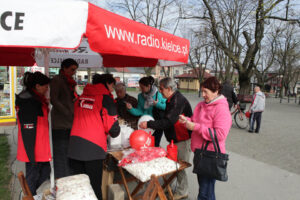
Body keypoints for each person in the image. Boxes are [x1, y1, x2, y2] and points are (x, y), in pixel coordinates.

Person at [68, 73, 120, 200]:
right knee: (94, 187)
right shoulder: (105, 98)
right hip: (93, 148)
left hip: (74, 146)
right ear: (107, 83)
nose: (113, 89)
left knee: (80, 187)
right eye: (112, 85)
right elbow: (113, 130)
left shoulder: (82, 96)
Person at [139, 77, 193, 200]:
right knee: (173, 165)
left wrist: (149, 124)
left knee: (181, 166)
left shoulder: (178, 101)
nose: (160, 91)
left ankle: (182, 191)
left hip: (182, 139)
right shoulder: (171, 99)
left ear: (169, 89)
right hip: (175, 139)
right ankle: (171, 187)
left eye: (162, 89)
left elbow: (168, 121)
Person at [179, 77, 232, 200]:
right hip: (200, 153)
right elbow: (194, 120)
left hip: (211, 155)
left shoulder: (221, 109)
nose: (203, 95)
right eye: (202, 91)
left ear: (216, 91)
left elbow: (220, 134)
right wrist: (186, 120)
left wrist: (196, 127)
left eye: (205, 92)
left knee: (204, 192)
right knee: (206, 190)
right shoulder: (201, 105)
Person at [16, 72, 51, 195]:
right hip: (33, 147)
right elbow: (28, 129)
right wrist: (31, 153)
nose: (47, 89)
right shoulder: (29, 101)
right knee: (33, 176)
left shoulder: (36, 99)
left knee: (45, 171)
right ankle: (30, 195)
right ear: (37, 86)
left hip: (40, 145)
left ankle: (31, 195)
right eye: (45, 86)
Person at [50, 58, 78, 179]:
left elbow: (66, 99)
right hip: (60, 123)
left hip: (68, 122)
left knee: (68, 151)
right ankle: (62, 177)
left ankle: (68, 176)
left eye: (75, 70)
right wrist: (67, 112)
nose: (74, 72)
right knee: (61, 152)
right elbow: (54, 99)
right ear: (64, 68)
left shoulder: (69, 81)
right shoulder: (57, 80)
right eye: (72, 69)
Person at [126, 76, 166, 147]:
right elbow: (140, 111)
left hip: (156, 124)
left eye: (142, 87)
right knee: (145, 145)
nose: (141, 89)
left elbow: (167, 107)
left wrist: (157, 104)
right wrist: (131, 108)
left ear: (149, 86)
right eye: (140, 87)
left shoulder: (159, 94)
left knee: (155, 145)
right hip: (144, 124)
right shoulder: (140, 96)